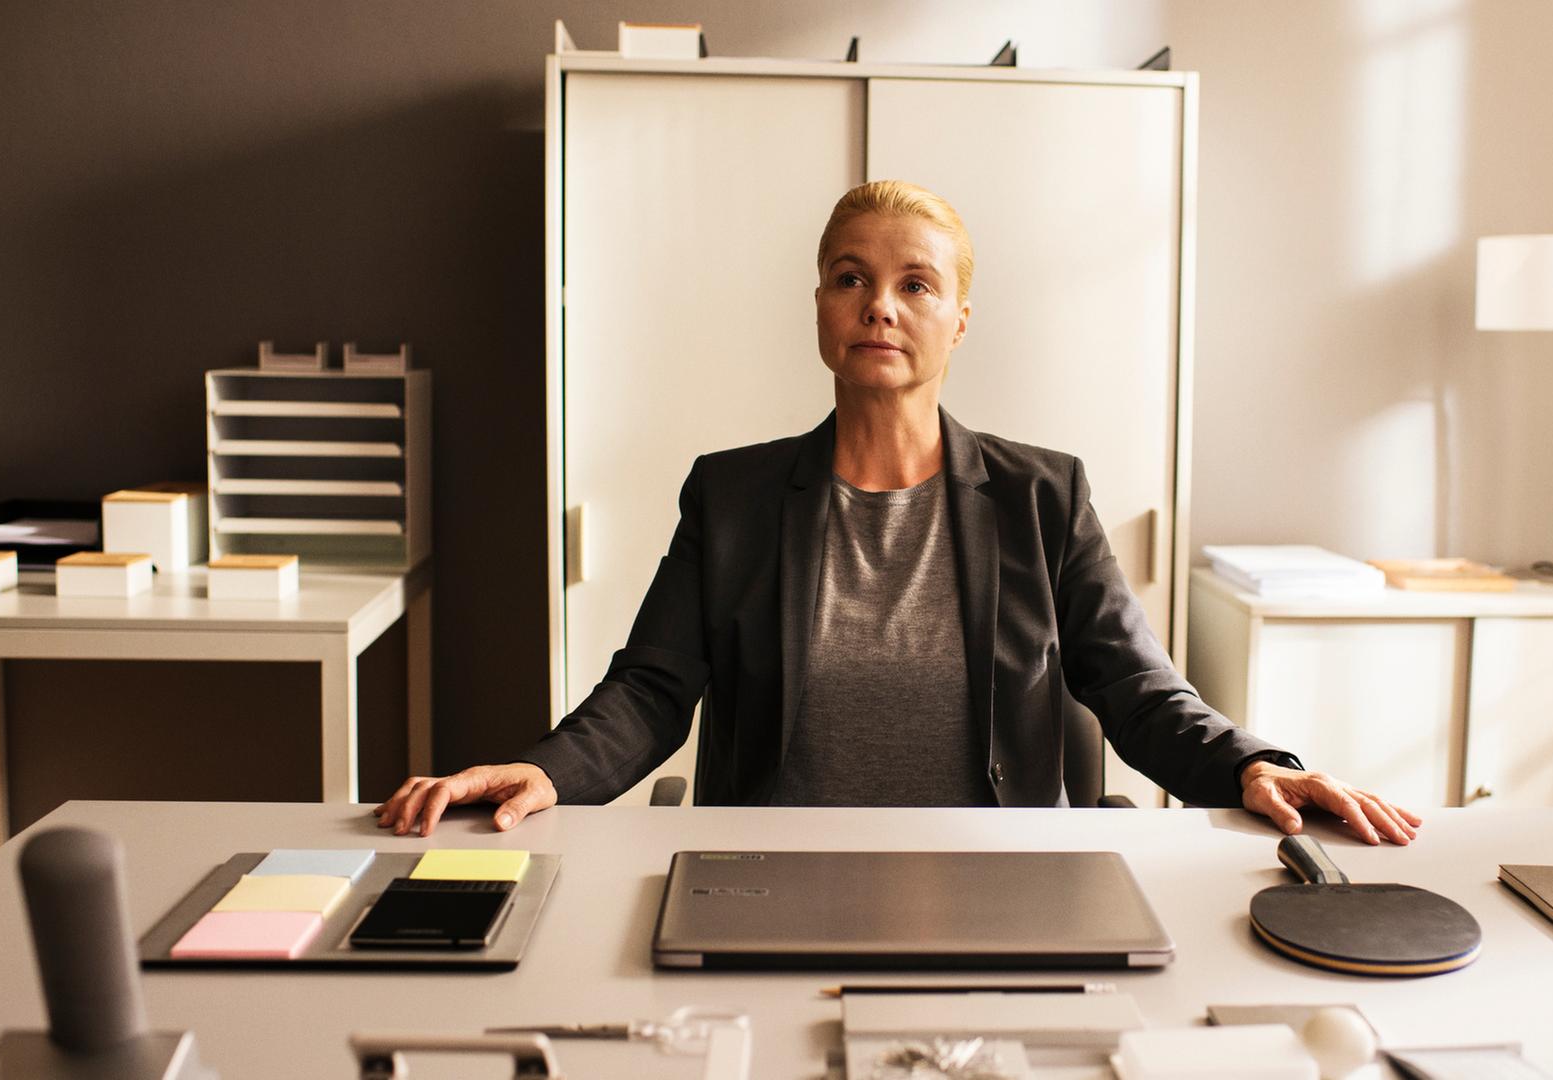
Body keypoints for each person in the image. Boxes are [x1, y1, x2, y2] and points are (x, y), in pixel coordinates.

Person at [377, 180, 1422, 847]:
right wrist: (546, 770)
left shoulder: (1041, 496)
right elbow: (652, 691)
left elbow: (1136, 688)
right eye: (851, 278)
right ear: (823, 311)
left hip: (1002, 877)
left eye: (915, 283)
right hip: (767, 877)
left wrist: (1256, 765)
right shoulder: (732, 496)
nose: (880, 304)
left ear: (959, 317)